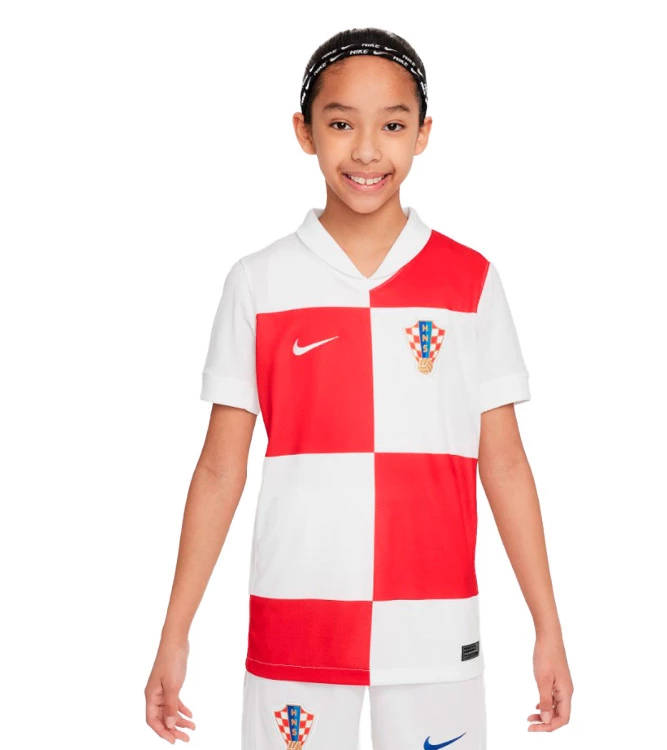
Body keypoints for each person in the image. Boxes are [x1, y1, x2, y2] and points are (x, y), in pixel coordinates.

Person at [144, 26, 573, 749]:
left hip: (434, 626)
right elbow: (220, 467)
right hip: (298, 619)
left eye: (393, 126)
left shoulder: (470, 281)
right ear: (304, 132)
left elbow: (502, 461)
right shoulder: (258, 282)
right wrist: (174, 633)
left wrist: (548, 626)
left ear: (424, 134)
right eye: (342, 123)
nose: (367, 150)